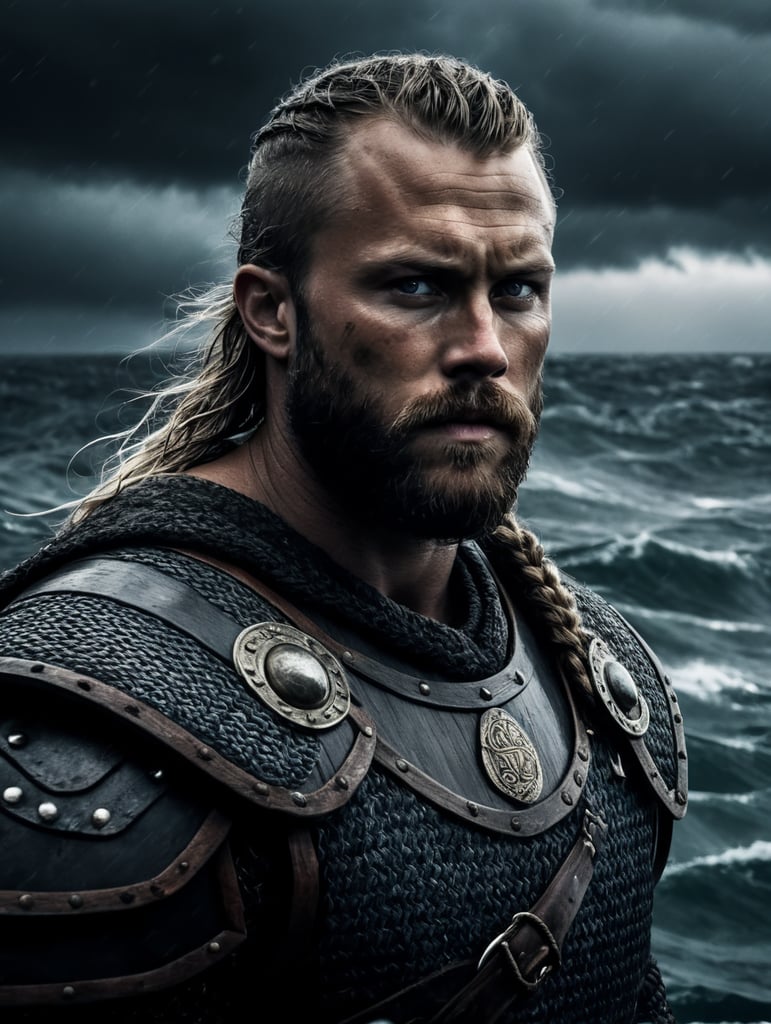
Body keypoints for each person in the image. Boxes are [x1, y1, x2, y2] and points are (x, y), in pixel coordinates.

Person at [0, 52, 687, 1023]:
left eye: (521, 290)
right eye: (416, 286)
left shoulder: (604, 684)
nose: (486, 346)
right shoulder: (91, 702)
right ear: (272, 311)